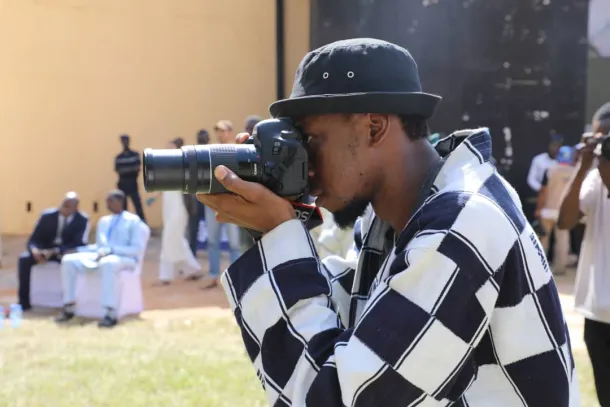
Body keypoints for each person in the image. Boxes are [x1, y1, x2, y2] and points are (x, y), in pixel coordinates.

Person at [198, 38, 578, 406]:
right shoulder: (398, 217)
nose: (305, 166)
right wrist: (274, 219)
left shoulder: (462, 223)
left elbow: (340, 396)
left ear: (374, 127)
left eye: (311, 140)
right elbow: (346, 325)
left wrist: (278, 236)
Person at [558, 102, 610, 407]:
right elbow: (565, 221)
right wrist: (582, 166)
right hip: (597, 314)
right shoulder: (593, 177)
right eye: (602, 137)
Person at [56, 190, 148, 328]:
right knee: (69, 260)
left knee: (108, 262)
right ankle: (69, 306)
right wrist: (79, 250)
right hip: (101, 256)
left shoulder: (133, 221)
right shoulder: (104, 221)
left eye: (110, 201)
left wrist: (111, 250)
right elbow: (100, 246)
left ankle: (109, 313)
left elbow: (136, 249)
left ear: (120, 202)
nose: (107, 204)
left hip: (125, 259)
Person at [18, 192, 89, 310]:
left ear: (75, 208)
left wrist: (56, 250)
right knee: (24, 259)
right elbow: (33, 239)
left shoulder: (82, 220)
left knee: (72, 263)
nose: (63, 208)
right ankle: (24, 303)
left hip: (64, 252)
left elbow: (79, 243)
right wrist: (35, 250)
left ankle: (69, 303)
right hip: (44, 251)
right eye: (63, 205)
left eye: (68, 206)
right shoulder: (47, 216)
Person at [199, 120, 242, 290]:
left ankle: (236, 278)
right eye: (218, 131)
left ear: (230, 132)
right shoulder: (211, 151)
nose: (220, 134)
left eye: (223, 131)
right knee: (212, 241)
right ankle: (213, 276)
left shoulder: (237, 151)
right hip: (213, 203)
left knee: (235, 243)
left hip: (232, 203)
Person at [153, 138, 202, 284]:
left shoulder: (184, 166)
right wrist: (154, 196)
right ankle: (192, 269)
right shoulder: (166, 166)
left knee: (170, 238)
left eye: (171, 147)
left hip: (179, 209)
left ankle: (166, 275)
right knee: (175, 240)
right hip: (168, 209)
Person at [535, 145, 577, 275]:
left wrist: (538, 209)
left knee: (543, 240)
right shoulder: (575, 172)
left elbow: (543, 192)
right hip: (563, 212)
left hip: (547, 211)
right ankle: (560, 268)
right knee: (563, 241)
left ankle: (539, 268)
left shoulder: (549, 171)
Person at [238, 115, 263, 252]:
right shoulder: (241, 149)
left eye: (252, 128)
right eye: (247, 128)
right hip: (243, 206)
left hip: (260, 207)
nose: (248, 131)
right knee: (244, 247)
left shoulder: (265, 150)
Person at [187, 129, 210, 256]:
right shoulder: (192, 154)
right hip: (195, 198)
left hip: (210, 197)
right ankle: (192, 253)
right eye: (201, 137)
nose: (203, 139)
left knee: (213, 229)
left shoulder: (212, 153)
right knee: (193, 229)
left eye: (204, 137)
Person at [114, 134, 146, 222]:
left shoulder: (135, 155)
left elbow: (137, 169)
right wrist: (130, 170)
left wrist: (126, 170)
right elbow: (118, 170)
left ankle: (143, 224)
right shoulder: (119, 157)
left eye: (126, 140)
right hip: (122, 184)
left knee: (138, 206)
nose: (125, 142)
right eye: (123, 141)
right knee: (123, 208)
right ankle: (123, 225)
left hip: (133, 183)